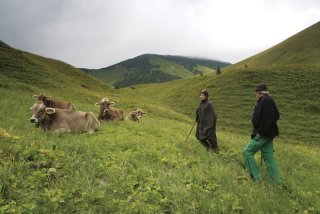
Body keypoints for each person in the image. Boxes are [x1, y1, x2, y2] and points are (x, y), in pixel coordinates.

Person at [243, 83, 282, 184]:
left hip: (263, 134)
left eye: (256, 91)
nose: (255, 93)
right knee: (269, 158)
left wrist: (260, 133)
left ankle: (257, 179)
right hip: (268, 134)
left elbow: (270, 118)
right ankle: (277, 183)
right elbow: (276, 115)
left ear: (260, 92)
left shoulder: (266, 100)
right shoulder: (266, 100)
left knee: (247, 152)